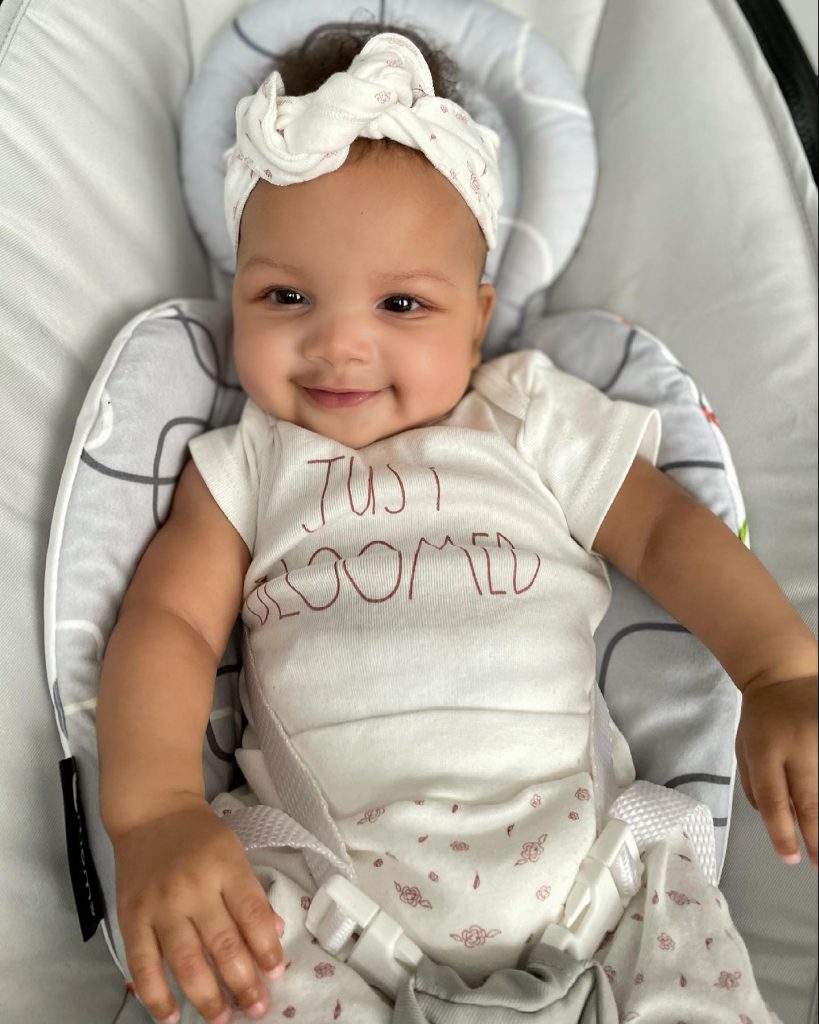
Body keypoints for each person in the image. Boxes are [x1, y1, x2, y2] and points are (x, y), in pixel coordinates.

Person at [96, 23, 818, 1024]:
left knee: (687, 942)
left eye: (400, 303)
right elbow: (169, 624)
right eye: (286, 295)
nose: (339, 343)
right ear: (235, 297)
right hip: (325, 892)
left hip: (595, 878)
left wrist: (778, 670)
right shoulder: (249, 463)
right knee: (234, 964)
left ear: (476, 320)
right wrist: (155, 811)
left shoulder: (528, 418)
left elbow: (665, 533)